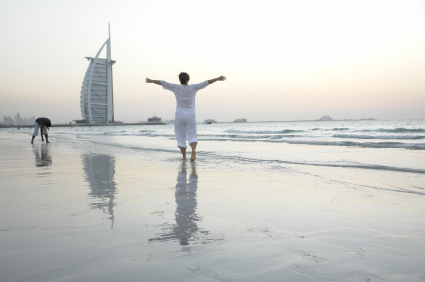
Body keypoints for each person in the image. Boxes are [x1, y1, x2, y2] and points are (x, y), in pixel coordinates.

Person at [146, 73, 226, 161]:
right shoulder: (193, 87)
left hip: (179, 114)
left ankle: (184, 157)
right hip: (191, 115)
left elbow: (162, 82)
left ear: (180, 80)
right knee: (192, 135)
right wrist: (218, 78)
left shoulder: (176, 87)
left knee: (180, 136)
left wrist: (151, 81)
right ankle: (193, 150)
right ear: (188, 79)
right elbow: (206, 82)